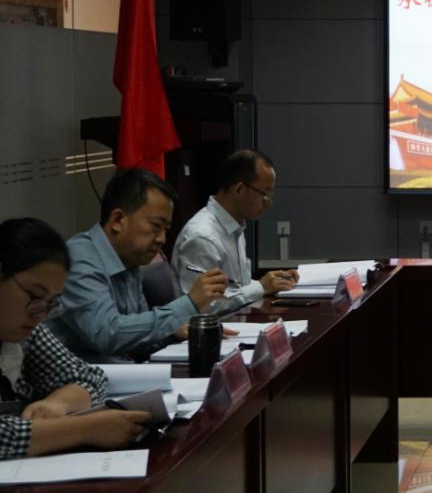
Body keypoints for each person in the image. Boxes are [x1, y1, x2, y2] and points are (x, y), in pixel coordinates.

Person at [0, 218, 151, 459]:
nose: (40, 314)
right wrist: (85, 430)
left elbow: (89, 377)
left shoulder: (27, 331)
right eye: (35, 296)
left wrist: (58, 403)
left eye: (51, 303)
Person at [47, 169, 229, 362]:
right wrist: (190, 303)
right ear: (118, 220)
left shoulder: (130, 258)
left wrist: (173, 334)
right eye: (156, 226)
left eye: (166, 229)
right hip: (79, 377)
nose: (162, 239)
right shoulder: (78, 259)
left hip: (121, 372)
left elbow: (136, 339)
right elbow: (109, 334)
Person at [172, 150, 297, 315]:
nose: (268, 203)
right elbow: (202, 307)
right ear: (239, 189)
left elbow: (236, 287)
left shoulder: (234, 227)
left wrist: (271, 283)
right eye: (264, 194)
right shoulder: (202, 236)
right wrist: (261, 286)